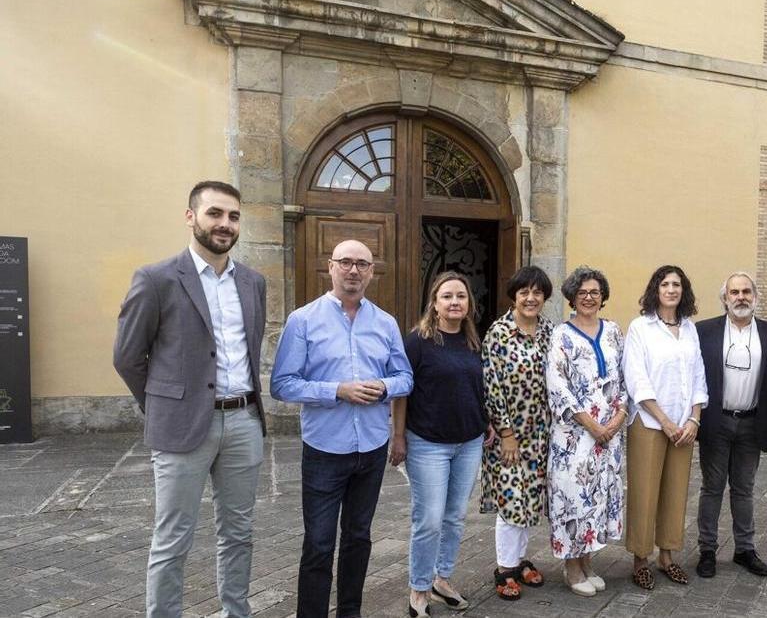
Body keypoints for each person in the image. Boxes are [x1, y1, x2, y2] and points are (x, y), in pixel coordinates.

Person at [113, 180, 267, 618]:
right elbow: (127, 356)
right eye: (215, 213)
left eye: (233, 216)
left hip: (243, 422)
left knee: (238, 532)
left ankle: (234, 612)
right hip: (182, 427)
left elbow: (250, 349)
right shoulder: (157, 278)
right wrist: (164, 405)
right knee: (173, 537)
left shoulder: (253, 282)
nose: (225, 224)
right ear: (191, 217)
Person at [271, 239, 414, 618]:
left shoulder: (385, 323)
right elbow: (282, 383)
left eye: (362, 264)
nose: (354, 270)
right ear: (330, 267)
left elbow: (405, 378)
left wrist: (384, 386)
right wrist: (337, 390)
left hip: (369, 448)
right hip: (324, 450)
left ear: (371, 272)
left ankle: (350, 610)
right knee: (318, 543)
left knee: (358, 538)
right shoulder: (303, 320)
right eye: (345, 262)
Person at [391, 271, 489, 618]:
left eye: (460, 296)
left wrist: (485, 422)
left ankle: (441, 578)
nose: (454, 302)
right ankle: (419, 587)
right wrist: (398, 436)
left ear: (468, 304)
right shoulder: (417, 341)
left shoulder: (474, 341)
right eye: (447, 296)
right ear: (434, 303)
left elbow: (478, 388)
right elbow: (401, 393)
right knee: (429, 518)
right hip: (427, 443)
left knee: (455, 516)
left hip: (470, 441)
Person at [622, 264, 707, 590]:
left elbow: (699, 375)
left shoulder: (689, 328)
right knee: (645, 493)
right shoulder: (641, 327)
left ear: (683, 291)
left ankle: (667, 556)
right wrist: (666, 422)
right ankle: (641, 559)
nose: (671, 290)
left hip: (685, 427)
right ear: (655, 289)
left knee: (675, 491)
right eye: (665, 284)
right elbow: (637, 378)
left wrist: (694, 418)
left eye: (677, 285)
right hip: (649, 422)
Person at [545, 266, 627, 596]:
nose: (589, 298)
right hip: (574, 436)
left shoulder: (613, 332)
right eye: (582, 293)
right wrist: (591, 424)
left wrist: (617, 418)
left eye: (595, 292)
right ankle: (571, 567)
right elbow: (557, 385)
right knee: (574, 498)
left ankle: (588, 561)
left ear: (603, 297)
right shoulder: (560, 335)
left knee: (598, 496)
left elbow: (624, 376)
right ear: (572, 298)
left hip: (609, 434)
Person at [694, 272, 767, 578]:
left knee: (744, 489)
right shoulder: (704, 331)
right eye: (734, 292)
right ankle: (707, 550)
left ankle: (745, 549)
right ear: (725, 298)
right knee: (712, 488)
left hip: (751, 422)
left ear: (755, 297)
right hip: (716, 421)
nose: (740, 297)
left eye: (746, 292)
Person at [479, 266, 555, 601]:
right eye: (524, 292)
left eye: (537, 292)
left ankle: (520, 558)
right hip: (509, 433)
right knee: (511, 500)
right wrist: (506, 432)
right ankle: (504, 568)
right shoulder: (498, 333)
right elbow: (491, 385)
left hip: (541, 432)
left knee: (530, 500)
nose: (531, 298)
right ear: (514, 295)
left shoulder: (550, 331)